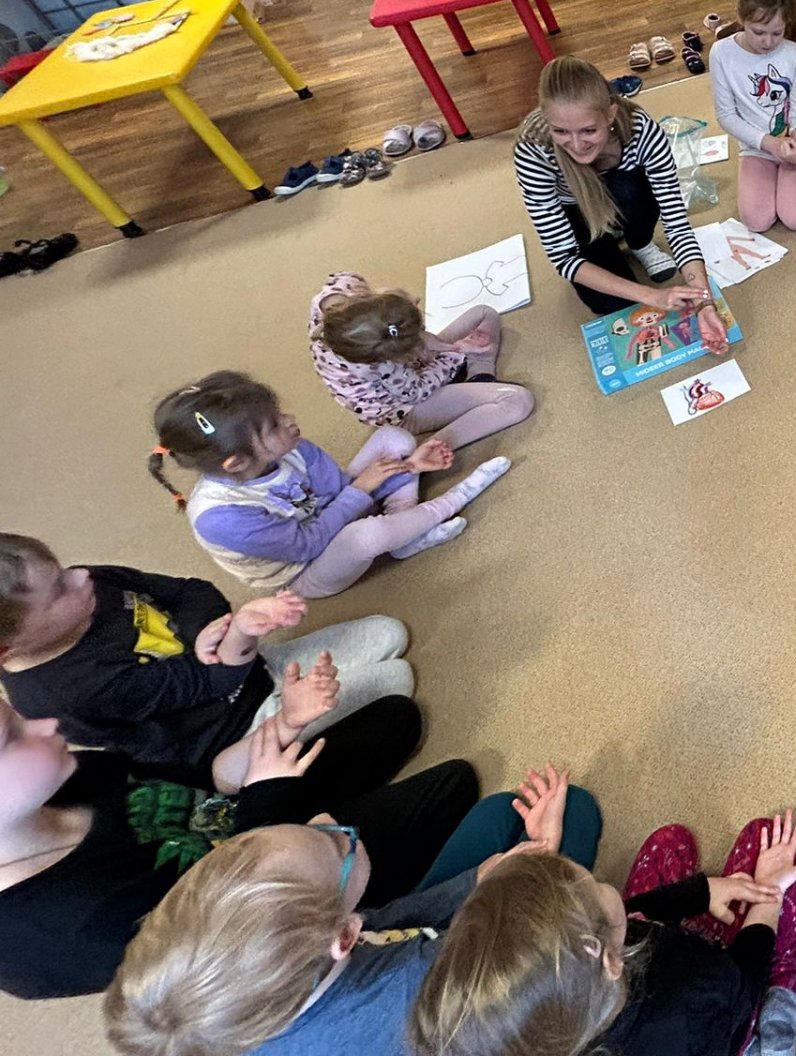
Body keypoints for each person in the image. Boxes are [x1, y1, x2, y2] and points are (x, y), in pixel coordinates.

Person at [0, 692, 475, 999]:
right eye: (12, 739)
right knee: (450, 788)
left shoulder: (67, 777)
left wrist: (277, 730)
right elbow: (252, 931)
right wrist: (271, 803)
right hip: (276, 898)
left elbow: (206, 780)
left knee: (395, 717)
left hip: (247, 817)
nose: (46, 724)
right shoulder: (65, 933)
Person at [103, 764, 602, 1056]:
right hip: (464, 992)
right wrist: (538, 866)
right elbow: (524, 967)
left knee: (498, 815)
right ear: (344, 936)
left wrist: (476, 881)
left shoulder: (247, 1008)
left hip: (401, 952)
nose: (328, 819)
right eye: (336, 841)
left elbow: (386, 924)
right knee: (573, 819)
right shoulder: (416, 991)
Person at [0, 532, 412, 793]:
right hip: (235, 735)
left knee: (388, 633)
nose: (80, 576)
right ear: (8, 647)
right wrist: (240, 632)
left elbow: (190, 591)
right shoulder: (66, 692)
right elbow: (210, 680)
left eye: (61, 570)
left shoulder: (88, 584)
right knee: (396, 678)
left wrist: (204, 634)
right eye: (58, 590)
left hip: (253, 669)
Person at [407, 807, 796, 1056]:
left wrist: (701, 892)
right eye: (595, 882)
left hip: (632, 965)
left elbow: (633, 915)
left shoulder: (569, 1005)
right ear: (604, 957)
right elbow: (744, 977)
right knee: (768, 853)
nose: (602, 881)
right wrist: (767, 896)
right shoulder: (692, 999)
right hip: (717, 1013)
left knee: (666, 846)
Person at [151, 371, 511, 600]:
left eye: (279, 415)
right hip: (306, 571)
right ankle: (450, 502)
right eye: (274, 426)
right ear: (236, 463)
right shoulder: (222, 518)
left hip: (326, 514)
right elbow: (309, 544)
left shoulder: (293, 448)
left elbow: (339, 492)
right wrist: (366, 487)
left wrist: (409, 466)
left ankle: (405, 535)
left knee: (395, 439)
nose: (290, 423)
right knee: (367, 536)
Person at [514, 56, 727, 346]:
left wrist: (704, 302)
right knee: (612, 305)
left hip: (624, 194)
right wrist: (651, 295)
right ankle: (608, 240)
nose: (576, 145)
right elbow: (564, 257)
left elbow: (677, 224)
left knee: (626, 186)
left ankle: (640, 243)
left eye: (589, 130)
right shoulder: (533, 148)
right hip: (577, 210)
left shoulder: (642, 130)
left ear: (611, 114)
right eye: (560, 131)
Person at [309, 273, 534, 451]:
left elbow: (340, 281)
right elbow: (416, 392)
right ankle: (434, 448)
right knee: (517, 400)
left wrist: (432, 342)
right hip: (406, 410)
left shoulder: (335, 303)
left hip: (409, 371)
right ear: (400, 353)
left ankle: (478, 377)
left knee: (484, 313)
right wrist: (456, 351)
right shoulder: (380, 367)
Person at [710, 0, 796, 235]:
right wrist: (769, 144)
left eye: (777, 32)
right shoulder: (721, 53)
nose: (768, 42)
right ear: (740, 17)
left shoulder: (794, 54)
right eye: (758, 32)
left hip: (793, 143)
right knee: (756, 221)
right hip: (757, 147)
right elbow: (726, 115)